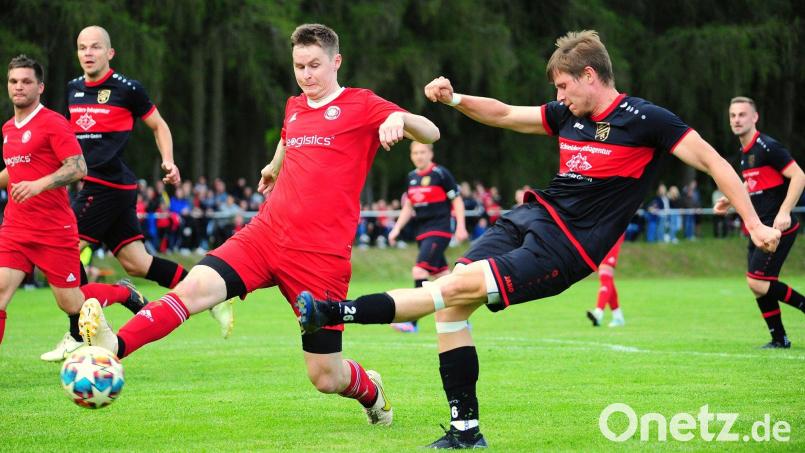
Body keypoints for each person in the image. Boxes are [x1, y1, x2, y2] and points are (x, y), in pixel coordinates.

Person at [296, 30, 780, 448]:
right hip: (530, 217)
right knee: (452, 299)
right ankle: (466, 430)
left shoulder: (647, 119)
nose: (561, 96)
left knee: (452, 290)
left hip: (567, 247)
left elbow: (716, 162)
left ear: (591, 75)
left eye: (565, 86)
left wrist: (755, 224)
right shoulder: (568, 115)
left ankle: (337, 312)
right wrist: (456, 99)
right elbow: (506, 113)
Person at [79, 23, 439, 426]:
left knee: (325, 376)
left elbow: (432, 130)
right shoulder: (295, 105)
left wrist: (401, 121)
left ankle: (370, 391)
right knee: (194, 288)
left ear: (336, 62)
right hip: (265, 235)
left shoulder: (363, 104)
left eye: (315, 65)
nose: (306, 75)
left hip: (319, 257)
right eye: (299, 66)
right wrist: (273, 166)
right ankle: (117, 344)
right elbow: (289, 136)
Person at [40, 25, 233, 361]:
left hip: (105, 184)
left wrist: (169, 162)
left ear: (109, 53)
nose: (88, 53)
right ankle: (212, 294)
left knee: (66, 249)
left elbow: (159, 125)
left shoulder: (127, 88)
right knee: (137, 263)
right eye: (82, 47)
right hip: (110, 186)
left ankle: (78, 332)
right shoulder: (72, 90)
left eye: (95, 47)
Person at [0, 55, 140, 350]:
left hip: (54, 229)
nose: (18, 87)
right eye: (13, 81)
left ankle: (122, 293)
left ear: (40, 87)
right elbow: (14, 171)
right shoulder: (8, 129)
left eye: (26, 82)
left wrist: (38, 185)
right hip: (15, 227)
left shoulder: (53, 123)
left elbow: (78, 168)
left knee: (71, 303)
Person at [716, 96, 805, 348]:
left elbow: (799, 175)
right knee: (759, 285)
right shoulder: (745, 152)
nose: (736, 120)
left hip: (777, 229)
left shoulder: (767, 146)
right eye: (733, 115)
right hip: (758, 230)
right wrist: (729, 201)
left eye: (742, 115)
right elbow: (751, 184)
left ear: (754, 118)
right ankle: (779, 339)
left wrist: (785, 211)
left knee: (757, 281)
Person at [388, 141, 467, 333]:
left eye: (423, 152)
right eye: (415, 153)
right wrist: (396, 228)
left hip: (439, 231)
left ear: (430, 154)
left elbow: (457, 200)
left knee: (419, 271)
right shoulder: (411, 177)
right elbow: (409, 206)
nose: (419, 156)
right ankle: (461, 319)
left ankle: (412, 322)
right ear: (411, 155)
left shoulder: (441, 174)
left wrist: (461, 227)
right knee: (444, 276)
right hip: (422, 233)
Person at [586, 233, 625, 327]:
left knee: (605, 275)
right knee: (608, 279)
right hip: (604, 234)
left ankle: (598, 313)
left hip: (614, 232)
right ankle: (618, 316)